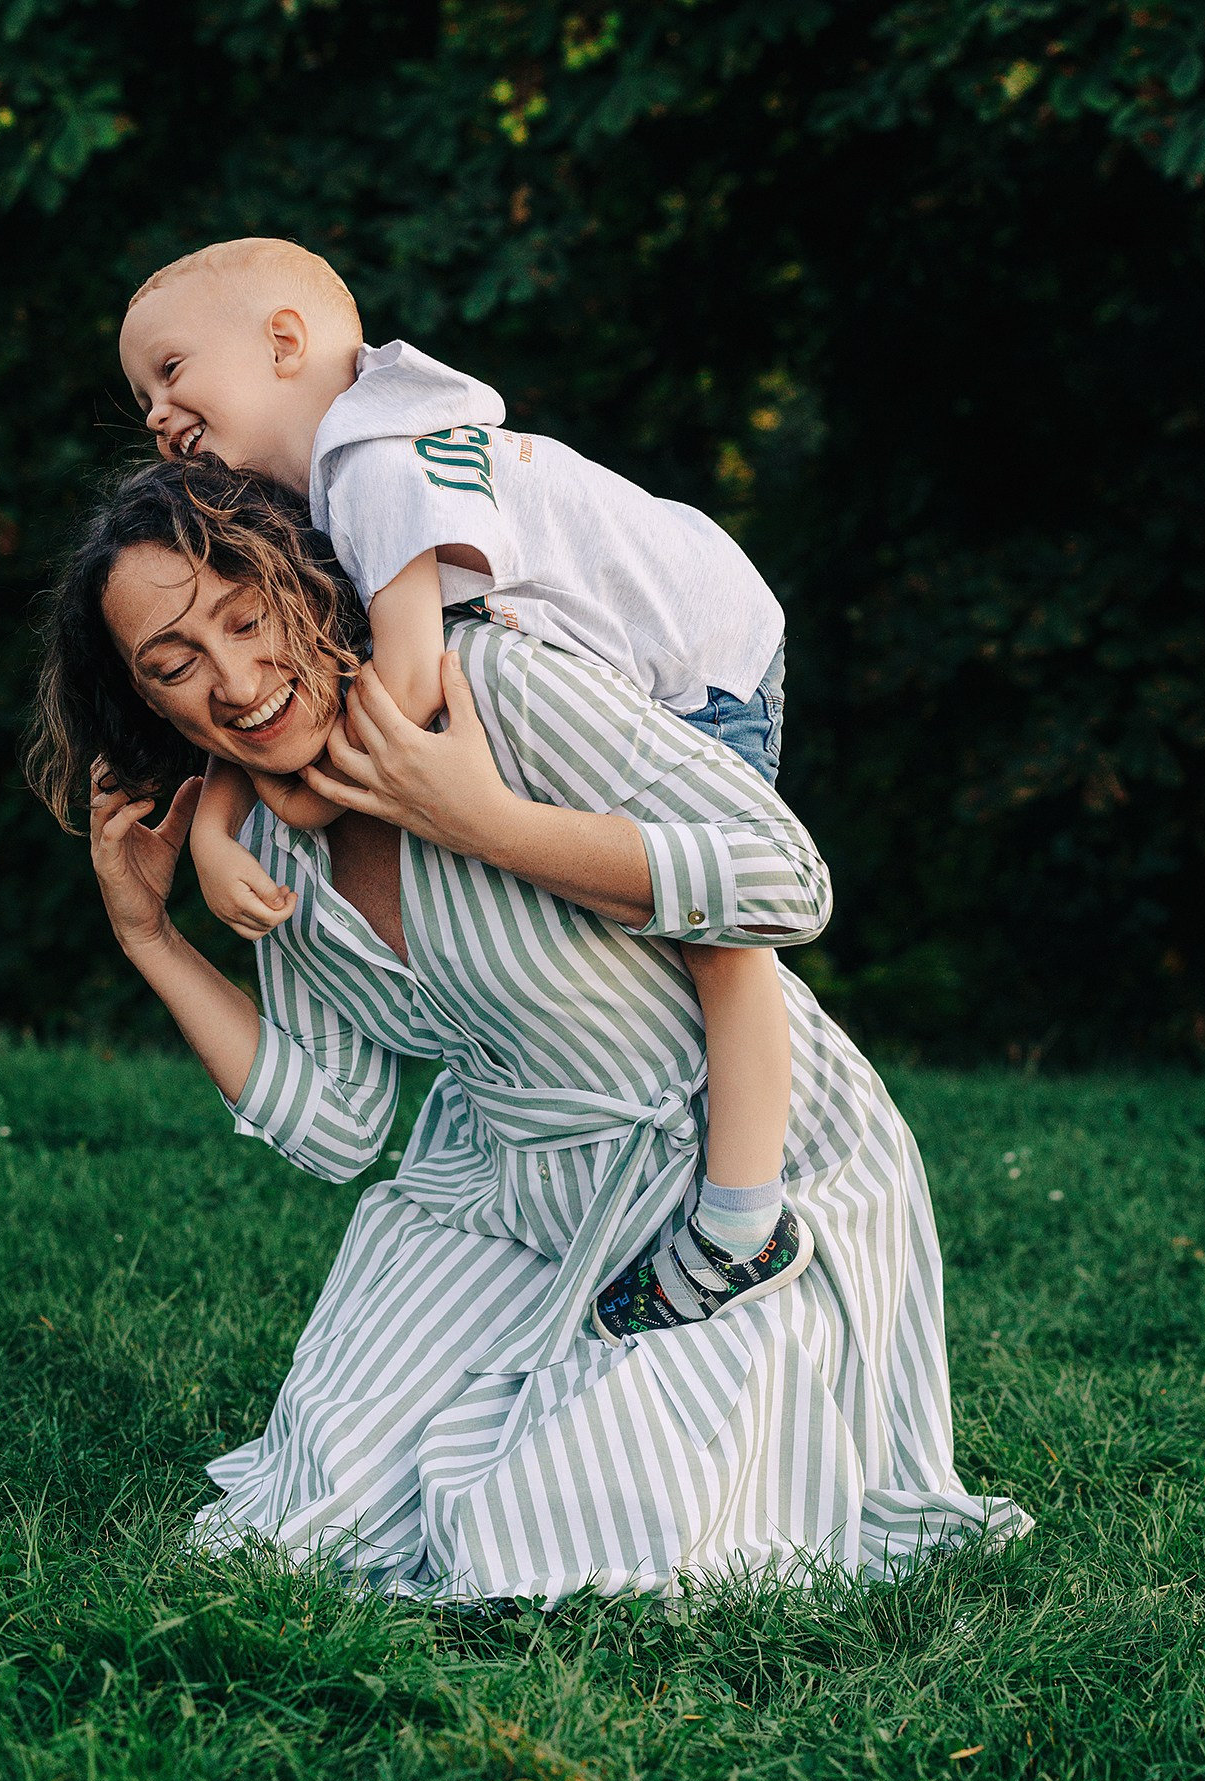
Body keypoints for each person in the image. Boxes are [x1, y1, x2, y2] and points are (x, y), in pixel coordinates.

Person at [25, 455, 1031, 1603]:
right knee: (311, 1518)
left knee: (563, 1533)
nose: (237, 678)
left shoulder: (494, 682)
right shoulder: (261, 840)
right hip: (502, 1190)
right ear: (148, 703)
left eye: (248, 619)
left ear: (312, 581)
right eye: (175, 664)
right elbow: (343, 1127)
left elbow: (784, 880)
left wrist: (484, 821)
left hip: (736, 1173)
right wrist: (149, 935)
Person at [116, 236, 800, 1341]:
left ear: (284, 342)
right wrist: (216, 828)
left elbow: (407, 680)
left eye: (171, 370)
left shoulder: (377, 465)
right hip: (663, 636)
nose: (155, 412)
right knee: (661, 917)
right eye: (142, 392)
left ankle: (741, 1220)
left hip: (699, 654)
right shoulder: (336, 481)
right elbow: (283, 690)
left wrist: (299, 803)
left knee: (720, 933)